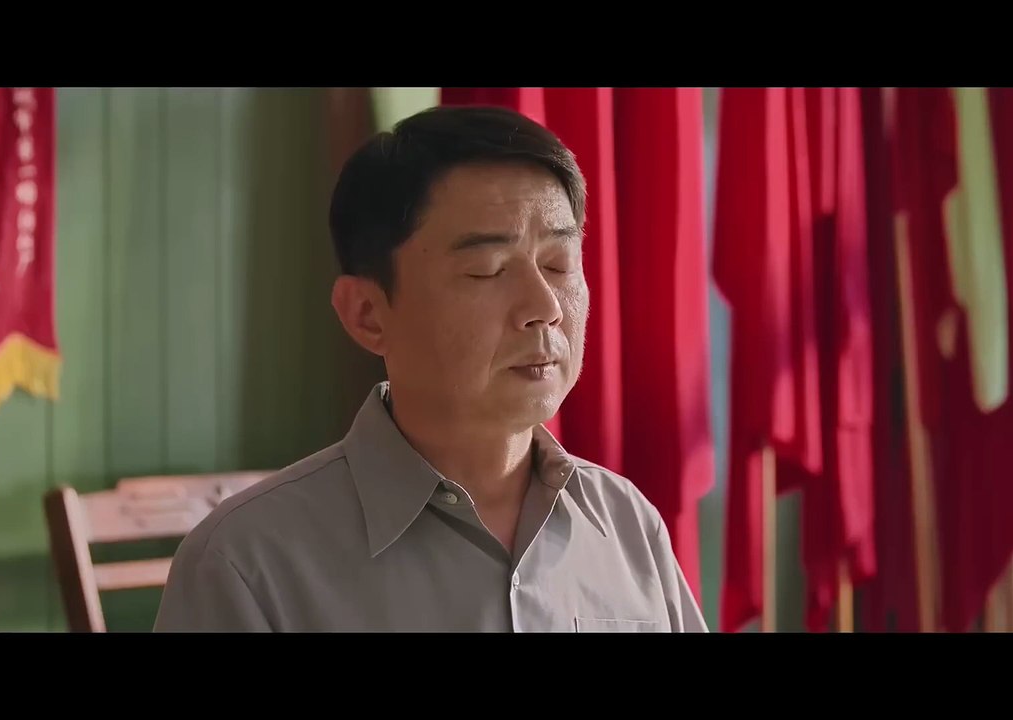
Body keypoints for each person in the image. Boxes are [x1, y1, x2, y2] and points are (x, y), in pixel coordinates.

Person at [153, 104, 708, 632]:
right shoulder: (247, 563)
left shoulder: (627, 524)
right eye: (487, 270)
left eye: (558, 264)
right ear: (367, 314)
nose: (545, 307)